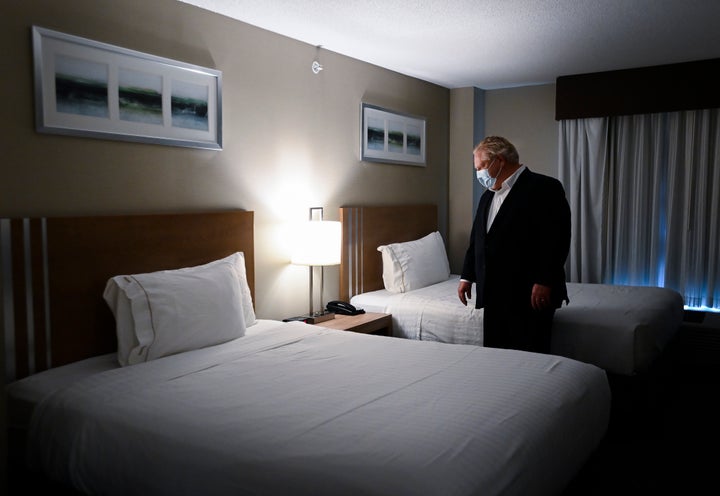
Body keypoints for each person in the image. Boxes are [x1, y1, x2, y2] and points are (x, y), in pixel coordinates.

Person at [457, 136, 570, 354]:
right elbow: (478, 241)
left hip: (529, 294)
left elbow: (557, 238)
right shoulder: (487, 197)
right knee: (496, 357)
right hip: (493, 294)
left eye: (480, 167)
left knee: (530, 356)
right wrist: (466, 277)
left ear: (499, 160)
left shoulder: (544, 187)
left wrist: (544, 280)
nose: (478, 174)